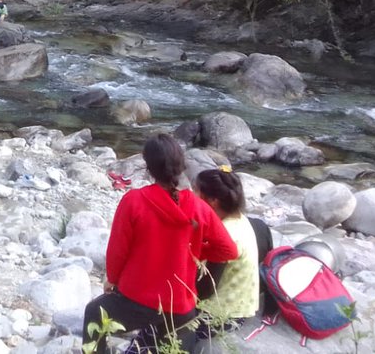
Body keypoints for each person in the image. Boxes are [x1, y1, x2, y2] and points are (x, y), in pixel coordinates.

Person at [82, 134, 237, 353]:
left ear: (148, 166)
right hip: (180, 308)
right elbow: (228, 250)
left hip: (136, 301)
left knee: (94, 312)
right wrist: (191, 252)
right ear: (181, 166)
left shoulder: (133, 201)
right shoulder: (198, 206)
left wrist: (113, 280)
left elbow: (118, 251)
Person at [193, 168, 262, 335]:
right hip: (242, 305)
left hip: (222, 315)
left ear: (213, 201)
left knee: (161, 325)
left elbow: (207, 289)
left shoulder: (226, 236)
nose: (192, 195)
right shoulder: (237, 219)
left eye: (195, 191)